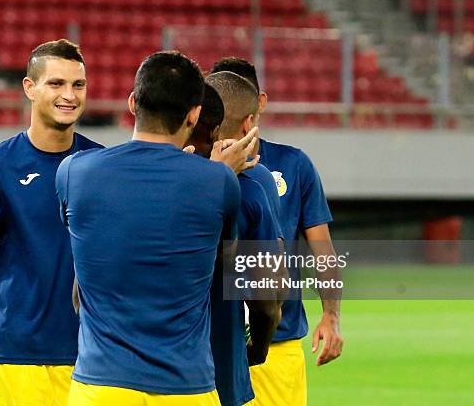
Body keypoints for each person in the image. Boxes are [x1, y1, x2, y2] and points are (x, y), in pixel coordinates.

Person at [56, 51, 256, 406]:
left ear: (133, 102)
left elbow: (79, 281)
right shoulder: (220, 182)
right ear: (195, 114)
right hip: (186, 386)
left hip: (100, 386)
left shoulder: (74, 173)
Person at [0, 39, 103, 405]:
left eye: (78, 85)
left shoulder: (102, 165)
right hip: (24, 356)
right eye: (56, 84)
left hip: (99, 354)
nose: (70, 95)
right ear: (30, 88)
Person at [212, 57, 343, 406]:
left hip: (276, 347)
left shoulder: (293, 164)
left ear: (258, 105)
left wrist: (331, 317)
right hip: (210, 343)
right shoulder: (193, 163)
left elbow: (323, 251)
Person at [187, 78, 286, 406]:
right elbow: (268, 294)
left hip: (131, 372)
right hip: (222, 369)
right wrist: (259, 344)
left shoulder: (132, 176)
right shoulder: (255, 185)